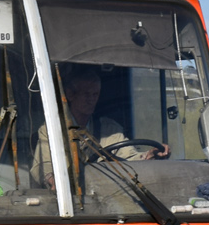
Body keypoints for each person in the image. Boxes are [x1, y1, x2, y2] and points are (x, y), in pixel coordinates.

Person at [32, 63, 164, 189]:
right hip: (69, 197)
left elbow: (128, 158)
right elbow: (44, 165)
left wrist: (149, 155)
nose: (91, 99)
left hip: (103, 194)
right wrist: (54, 181)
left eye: (95, 94)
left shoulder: (109, 129)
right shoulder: (53, 129)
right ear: (70, 95)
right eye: (86, 94)